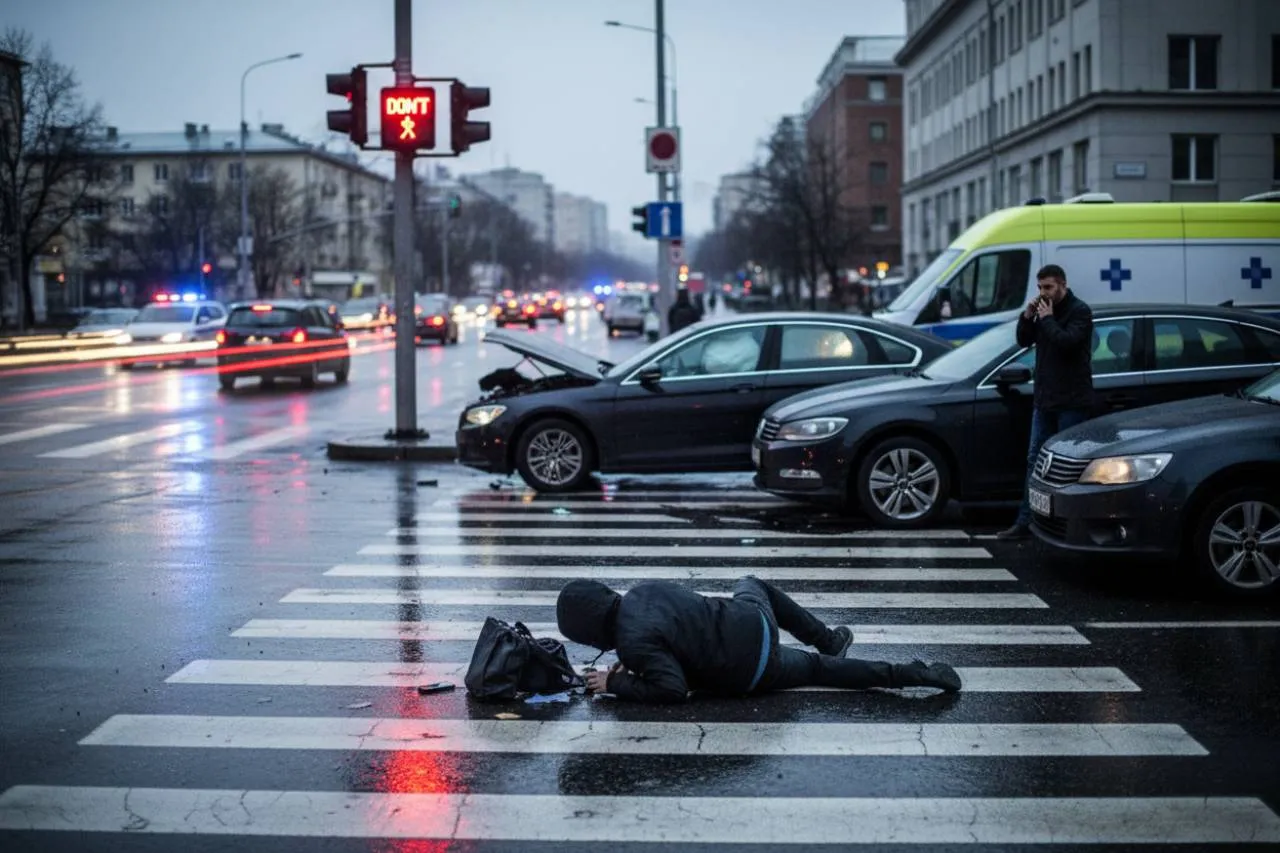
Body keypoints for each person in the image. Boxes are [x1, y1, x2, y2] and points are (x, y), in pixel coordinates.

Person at [556, 577, 961, 703]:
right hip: (754, 624)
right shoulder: (643, 592)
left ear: (589, 631)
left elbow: (671, 689)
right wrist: (638, 659)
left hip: (751, 672)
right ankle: (825, 637)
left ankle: (908, 675)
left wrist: (615, 682)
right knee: (750, 583)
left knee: (819, 671)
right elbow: (675, 629)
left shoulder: (632, 645)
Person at [999, 263, 1095, 540]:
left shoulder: (1080, 311)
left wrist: (1048, 318)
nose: (1044, 293)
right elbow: (1023, 341)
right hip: (1045, 401)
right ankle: (1025, 522)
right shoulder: (1042, 312)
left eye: (1049, 287)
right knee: (1034, 462)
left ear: (1063, 285)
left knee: (1069, 465)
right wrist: (1027, 317)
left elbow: (1067, 344)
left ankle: (1065, 526)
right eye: (1040, 288)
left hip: (1072, 402)